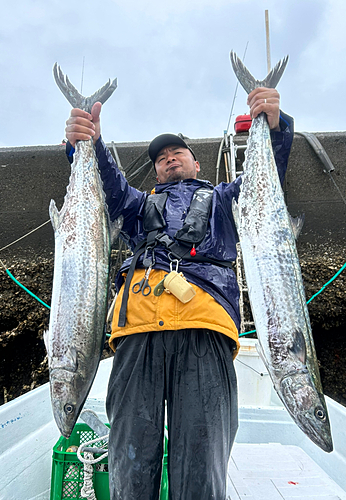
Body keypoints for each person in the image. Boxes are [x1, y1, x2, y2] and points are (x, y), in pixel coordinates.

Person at [65, 87, 294, 500]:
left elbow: (265, 184)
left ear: (196, 162)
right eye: (160, 158)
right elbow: (108, 186)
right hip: (138, 332)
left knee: (202, 465)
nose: (169, 158)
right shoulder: (138, 206)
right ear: (155, 173)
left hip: (205, 327)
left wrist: (275, 131)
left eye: (177, 153)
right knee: (129, 463)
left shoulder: (224, 200)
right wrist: (88, 142)